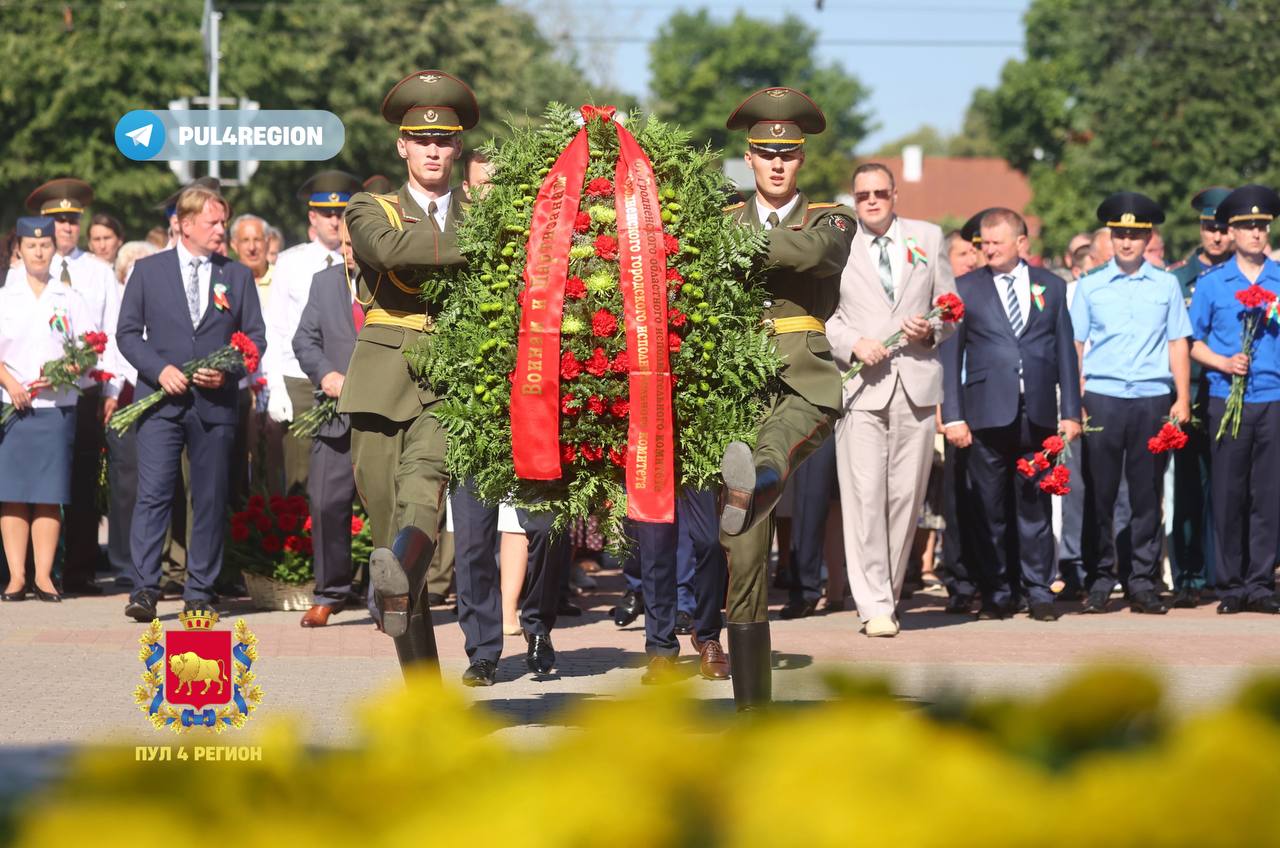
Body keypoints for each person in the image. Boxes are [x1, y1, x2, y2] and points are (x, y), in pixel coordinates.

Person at [714, 87, 855, 709]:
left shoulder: (831, 217)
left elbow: (817, 255)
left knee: (770, 452)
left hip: (803, 380)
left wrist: (722, 244)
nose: (776, 164)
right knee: (742, 545)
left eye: (788, 154)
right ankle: (751, 708)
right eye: (765, 154)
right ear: (748, 158)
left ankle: (762, 473)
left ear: (801, 161)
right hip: (735, 389)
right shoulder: (720, 220)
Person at [341, 70, 477, 674]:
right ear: (401, 146)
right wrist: (480, 236)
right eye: (420, 140)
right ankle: (422, 694)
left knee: (423, 494)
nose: (432, 149)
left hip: (450, 379)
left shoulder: (484, 209)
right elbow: (392, 252)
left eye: (444, 140)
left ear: (457, 149)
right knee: (390, 546)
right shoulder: (368, 207)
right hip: (379, 383)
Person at [116, 185, 267, 621]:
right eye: (213, 223)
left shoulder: (236, 275)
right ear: (183, 225)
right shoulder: (148, 272)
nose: (222, 230)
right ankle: (145, 588)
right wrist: (158, 369)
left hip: (215, 404)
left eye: (223, 222)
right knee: (154, 494)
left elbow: (255, 338)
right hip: (160, 401)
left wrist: (229, 371)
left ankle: (200, 590)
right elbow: (127, 333)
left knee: (209, 497)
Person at [827, 162, 958, 637]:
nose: (872, 201)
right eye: (863, 195)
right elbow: (823, 316)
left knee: (905, 499)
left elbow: (949, 307)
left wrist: (931, 331)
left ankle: (890, 591)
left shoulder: (928, 235)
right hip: (862, 387)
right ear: (854, 198)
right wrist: (854, 343)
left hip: (917, 385)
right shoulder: (838, 242)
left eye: (880, 192)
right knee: (863, 498)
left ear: (895, 194)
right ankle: (874, 603)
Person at [941, 208, 1082, 620]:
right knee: (990, 508)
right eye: (984, 244)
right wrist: (953, 415)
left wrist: (1071, 412)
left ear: (1022, 243)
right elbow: (951, 356)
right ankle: (998, 592)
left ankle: (1039, 591)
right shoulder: (966, 287)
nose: (988, 251)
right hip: (985, 413)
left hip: (1036, 413)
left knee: (1035, 503)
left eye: (996, 243)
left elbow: (1065, 354)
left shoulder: (1051, 287)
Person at [1072, 192, 1192, 615]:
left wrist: (1182, 397)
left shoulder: (1166, 284)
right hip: (1102, 398)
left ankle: (1141, 581)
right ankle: (1100, 578)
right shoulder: (1090, 286)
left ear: (1148, 239)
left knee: (1147, 494)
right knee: (1099, 495)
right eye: (1120, 234)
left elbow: (1178, 340)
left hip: (1150, 398)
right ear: (1109, 238)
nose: (1126, 243)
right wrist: (1077, 400)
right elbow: (1077, 345)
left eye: (1135, 235)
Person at [20, 179, 123, 596]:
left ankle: (78, 571)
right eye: (57, 220)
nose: (65, 228)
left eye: (71, 220)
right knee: (28, 484)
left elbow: (113, 332)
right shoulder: (20, 273)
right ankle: (25, 570)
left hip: (85, 391)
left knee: (81, 482)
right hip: (33, 394)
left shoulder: (97, 272)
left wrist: (114, 388)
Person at [1189, 184, 1280, 615]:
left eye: (1262, 226)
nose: (1257, 234)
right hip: (1228, 398)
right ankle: (1230, 583)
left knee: (1268, 493)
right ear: (1232, 232)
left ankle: (1260, 582)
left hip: (1273, 397)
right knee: (1228, 492)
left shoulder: (1279, 279)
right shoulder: (1212, 283)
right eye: (1247, 227)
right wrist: (1224, 363)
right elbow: (1193, 341)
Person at [0, 217, 97, 603]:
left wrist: (71, 369)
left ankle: (43, 576)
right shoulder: (5, 296)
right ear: (18, 250)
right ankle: (16, 576)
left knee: (47, 493)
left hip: (56, 406)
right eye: (31, 246)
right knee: (11, 492)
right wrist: (9, 383)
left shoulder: (68, 297)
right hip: (12, 406)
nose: (39, 252)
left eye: (45, 246)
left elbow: (89, 346)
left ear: (53, 249)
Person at [265, 171, 362, 495]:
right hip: (300, 381)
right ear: (312, 216)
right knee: (302, 475)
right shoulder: (291, 263)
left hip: (352, 379)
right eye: (327, 213)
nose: (334, 221)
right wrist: (275, 387)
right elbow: (276, 328)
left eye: (341, 213)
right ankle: (301, 543)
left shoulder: (365, 262)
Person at [290, 217, 361, 627]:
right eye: (345, 245)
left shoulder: (394, 281)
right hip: (334, 414)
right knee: (326, 502)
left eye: (356, 244)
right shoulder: (326, 283)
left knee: (387, 508)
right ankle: (330, 592)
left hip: (381, 417)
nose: (349, 252)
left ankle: (386, 597)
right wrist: (325, 373)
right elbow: (304, 340)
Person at [1166, 187, 1233, 607]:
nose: (1218, 236)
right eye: (1210, 227)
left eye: (1224, 228)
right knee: (1189, 486)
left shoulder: (1250, 276)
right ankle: (1189, 574)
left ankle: (1225, 571)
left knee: (1230, 487)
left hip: (1233, 394)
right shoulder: (1177, 278)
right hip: (1190, 395)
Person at [104, 241, 159, 589]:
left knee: (155, 486)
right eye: (133, 266)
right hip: (123, 397)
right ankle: (123, 560)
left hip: (158, 394)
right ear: (123, 273)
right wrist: (110, 392)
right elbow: (110, 348)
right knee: (126, 484)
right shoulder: (115, 301)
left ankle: (156, 563)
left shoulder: (160, 298)